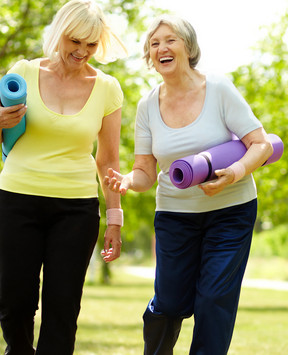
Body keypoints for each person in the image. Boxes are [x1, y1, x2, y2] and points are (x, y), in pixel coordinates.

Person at [103, 15, 274, 355]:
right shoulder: (148, 105)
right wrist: (126, 182)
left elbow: (262, 144)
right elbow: (145, 171)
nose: (161, 48)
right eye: (154, 44)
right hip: (175, 215)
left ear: (188, 47)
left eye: (170, 40)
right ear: (150, 57)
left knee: (214, 300)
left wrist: (235, 172)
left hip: (231, 211)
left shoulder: (219, 89)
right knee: (169, 302)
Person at [0, 1, 127, 353]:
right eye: (75, 41)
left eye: (91, 45)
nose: (82, 52)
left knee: (63, 308)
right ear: (60, 33)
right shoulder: (24, 73)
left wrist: (114, 219)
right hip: (16, 201)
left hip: (75, 209)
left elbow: (107, 160)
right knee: (15, 302)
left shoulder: (107, 88)